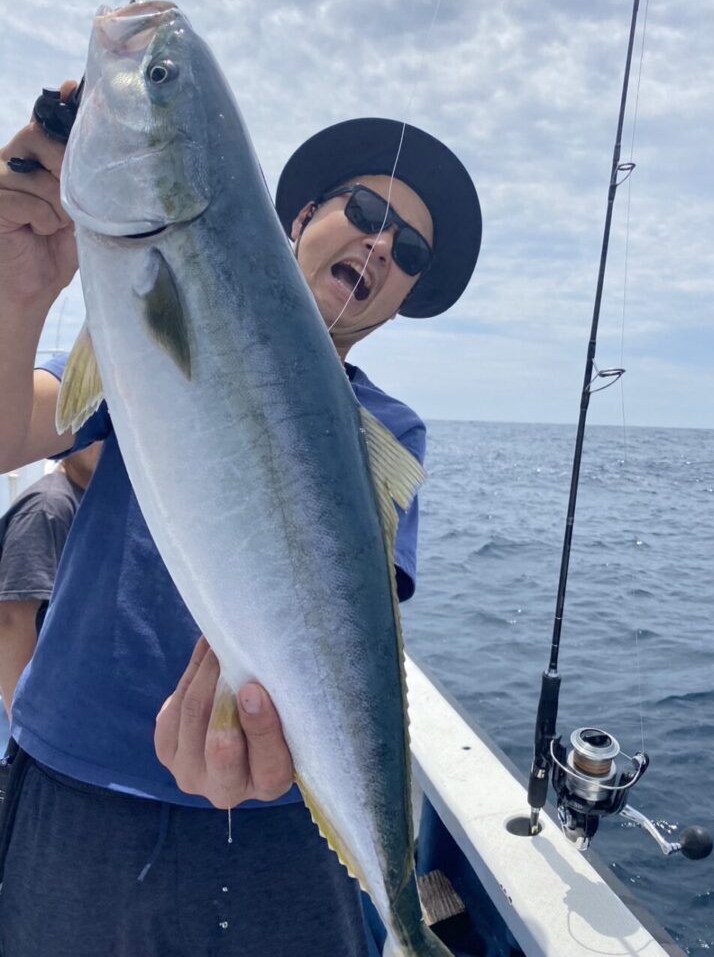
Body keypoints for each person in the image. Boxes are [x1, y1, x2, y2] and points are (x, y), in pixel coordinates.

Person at [0, 81, 482, 956]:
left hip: (280, 812)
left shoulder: (387, 431)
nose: (381, 243)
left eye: (409, 250)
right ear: (300, 218)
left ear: (403, 295)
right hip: (76, 780)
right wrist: (18, 292)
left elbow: (350, 636)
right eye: (366, 211)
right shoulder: (152, 331)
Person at [0, 442, 102, 723]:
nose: (105, 440)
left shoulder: (90, 503)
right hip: (36, 720)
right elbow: (11, 620)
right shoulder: (49, 507)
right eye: (98, 428)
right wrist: (22, 726)